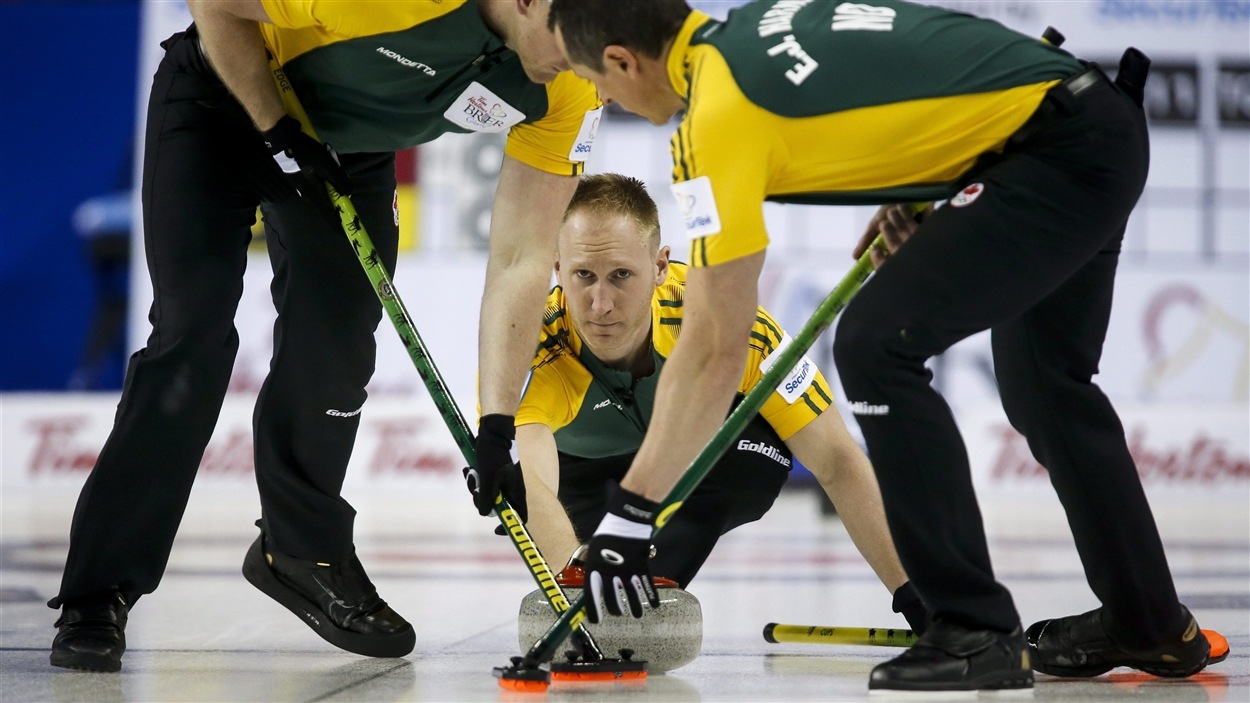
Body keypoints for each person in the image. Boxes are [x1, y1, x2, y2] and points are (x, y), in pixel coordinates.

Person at [547, 0, 1223, 693]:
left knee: (876, 343)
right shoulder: (755, 25)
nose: (600, 96)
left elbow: (715, 342)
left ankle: (973, 626)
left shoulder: (714, 120)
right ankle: (1149, 620)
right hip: (1091, 124)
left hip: (1048, 154)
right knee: (1047, 389)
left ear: (624, 60)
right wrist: (934, 174)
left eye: (593, 78)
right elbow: (924, 53)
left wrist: (630, 513)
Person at [49, 0, 601, 672]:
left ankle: (302, 552)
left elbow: (521, 258)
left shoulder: (569, 85)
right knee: (192, 337)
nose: (582, 59)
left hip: (346, 143)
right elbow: (215, 3)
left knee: (338, 344)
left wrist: (496, 426)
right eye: (575, 38)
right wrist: (275, 127)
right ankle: (97, 590)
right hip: (224, 101)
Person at [508, 173, 927, 633]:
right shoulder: (535, 341)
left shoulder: (730, 325)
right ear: (556, 267)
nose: (600, 304)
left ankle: (647, 589)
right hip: (589, 482)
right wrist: (571, 568)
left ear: (661, 266)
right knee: (519, 495)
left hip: (698, 465)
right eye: (583, 275)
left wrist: (917, 594)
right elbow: (533, 479)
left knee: (751, 462)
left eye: (621, 275)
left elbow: (838, 461)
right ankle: (618, 595)